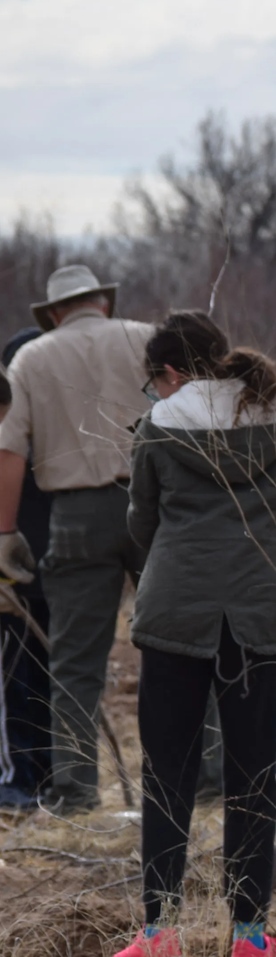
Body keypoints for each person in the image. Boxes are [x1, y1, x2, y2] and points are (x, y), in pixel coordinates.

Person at [108, 312, 276, 957]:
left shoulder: (159, 425)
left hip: (175, 617)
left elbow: (142, 523)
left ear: (171, 372)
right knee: (251, 777)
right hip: (258, 614)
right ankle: (249, 940)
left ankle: (160, 931)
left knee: (167, 773)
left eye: (152, 380)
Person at [0, 266, 152, 813]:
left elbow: (9, 452)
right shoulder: (146, 338)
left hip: (76, 514)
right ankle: (199, 784)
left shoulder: (31, 358)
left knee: (75, 660)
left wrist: (5, 532)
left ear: (55, 313)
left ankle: (75, 791)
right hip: (155, 505)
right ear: (103, 304)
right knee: (181, 648)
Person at [0, 328, 52, 809]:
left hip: (58, 571)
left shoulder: (66, 422)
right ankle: (20, 778)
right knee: (14, 679)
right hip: (12, 575)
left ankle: (50, 777)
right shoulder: (7, 427)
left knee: (51, 678)